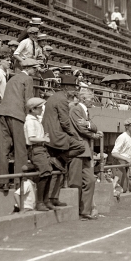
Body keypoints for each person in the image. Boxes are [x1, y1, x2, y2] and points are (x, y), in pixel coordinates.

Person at [0, 58, 40, 189]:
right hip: (17, 115)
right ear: (29, 68)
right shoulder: (28, 79)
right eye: (35, 68)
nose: (36, 71)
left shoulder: (13, 78)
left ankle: (3, 181)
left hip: (2, 114)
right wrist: (32, 118)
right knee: (20, 149)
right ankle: (20, 182)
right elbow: (29, 101)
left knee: (4, 149)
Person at [42, 75, 86, 207]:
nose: (74, 91)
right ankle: (51, 197)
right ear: (66, 87)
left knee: (60, 167)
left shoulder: (56, 97)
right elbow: (65, 122)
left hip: (52, 135)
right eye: (73, 88)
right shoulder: (62, 100)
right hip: (56, 136)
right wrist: (75, 136)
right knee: (80, 146)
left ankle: (53, 197)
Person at [69, 88, 103, 220]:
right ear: (83, 98)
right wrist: (94, 134)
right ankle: (77, 211)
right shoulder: (76, 109)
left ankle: (85, 210)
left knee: (90, 180)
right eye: (91, 99)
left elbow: (91, 125)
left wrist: (89, 124)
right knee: (75, 182)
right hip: (77, 149)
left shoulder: (85, 111)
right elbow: (81, 128)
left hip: (85, 151)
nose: (92, 101)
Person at [24, 97, 60, 211]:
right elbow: (31, 138)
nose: (41, 110)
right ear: (33, 109)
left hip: (41, 149)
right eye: (39, 108)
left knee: (48, 173)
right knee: (44, 174)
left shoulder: (35, 120)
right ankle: (40, 202)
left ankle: (45, 200)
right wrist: (43, 139)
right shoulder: (30, 121)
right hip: (36, 149)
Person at [111, 118, 131, 193]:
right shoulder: (122, 137)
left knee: (127, 187)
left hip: (127, 164)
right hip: (119, 163)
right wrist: (127, 159)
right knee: (121, 187)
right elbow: (114, 153)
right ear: (127, 127)